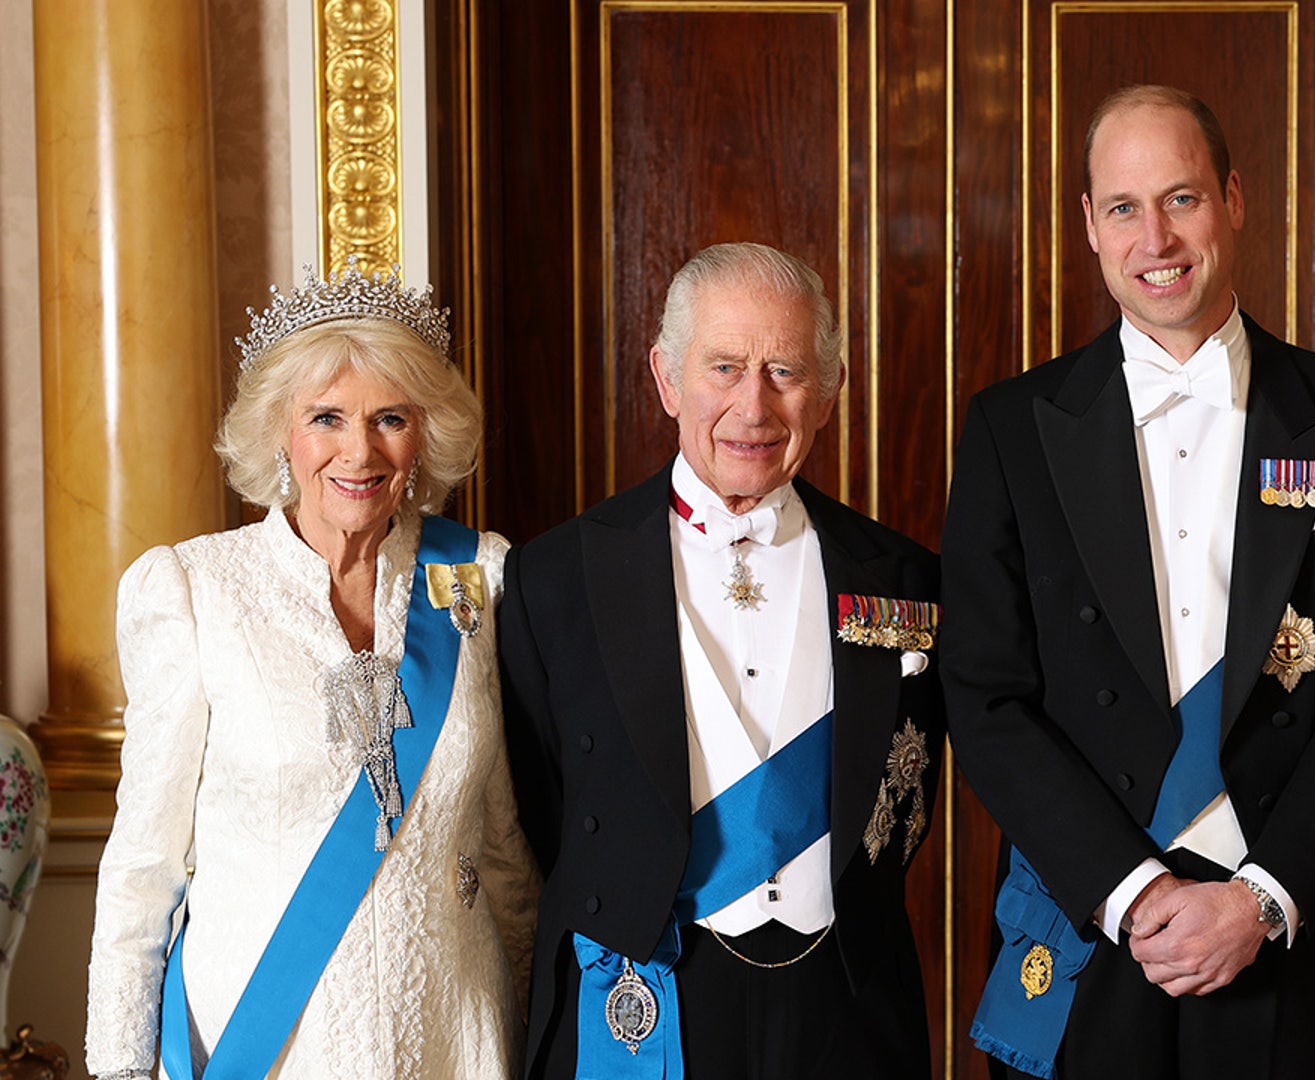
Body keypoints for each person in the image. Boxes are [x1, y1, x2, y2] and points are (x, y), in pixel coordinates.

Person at [942, 84, 1315, 1078]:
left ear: (1235, 199)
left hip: (1290, 927)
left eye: (1183, 198)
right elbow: (984, 693)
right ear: (1089, 224)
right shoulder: (1010, 428)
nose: (1156, 236)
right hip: (1092, 927)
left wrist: (1263, 895)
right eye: (1123, 207)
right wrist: (1130, 890)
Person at [86, 258, 539, 1079]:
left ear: (425, 432)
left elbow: (504, 841)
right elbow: (143, 867)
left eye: (390, 419)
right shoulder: (193, 591)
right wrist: (120, 1068)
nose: (358, 452)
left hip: (456, 1034)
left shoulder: (478, 578)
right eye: (325, 417)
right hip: (267, 1043)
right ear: (279, 433)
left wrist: (544, 1030)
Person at [500, 242, 943, 1079]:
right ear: (666, 378)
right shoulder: (556, 577)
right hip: (640, 999)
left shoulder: (906, 580)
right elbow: (541, 807)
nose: (753, 406)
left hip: (846, 1012)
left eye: (785, 370)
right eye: (725, 367)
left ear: (831, 390)